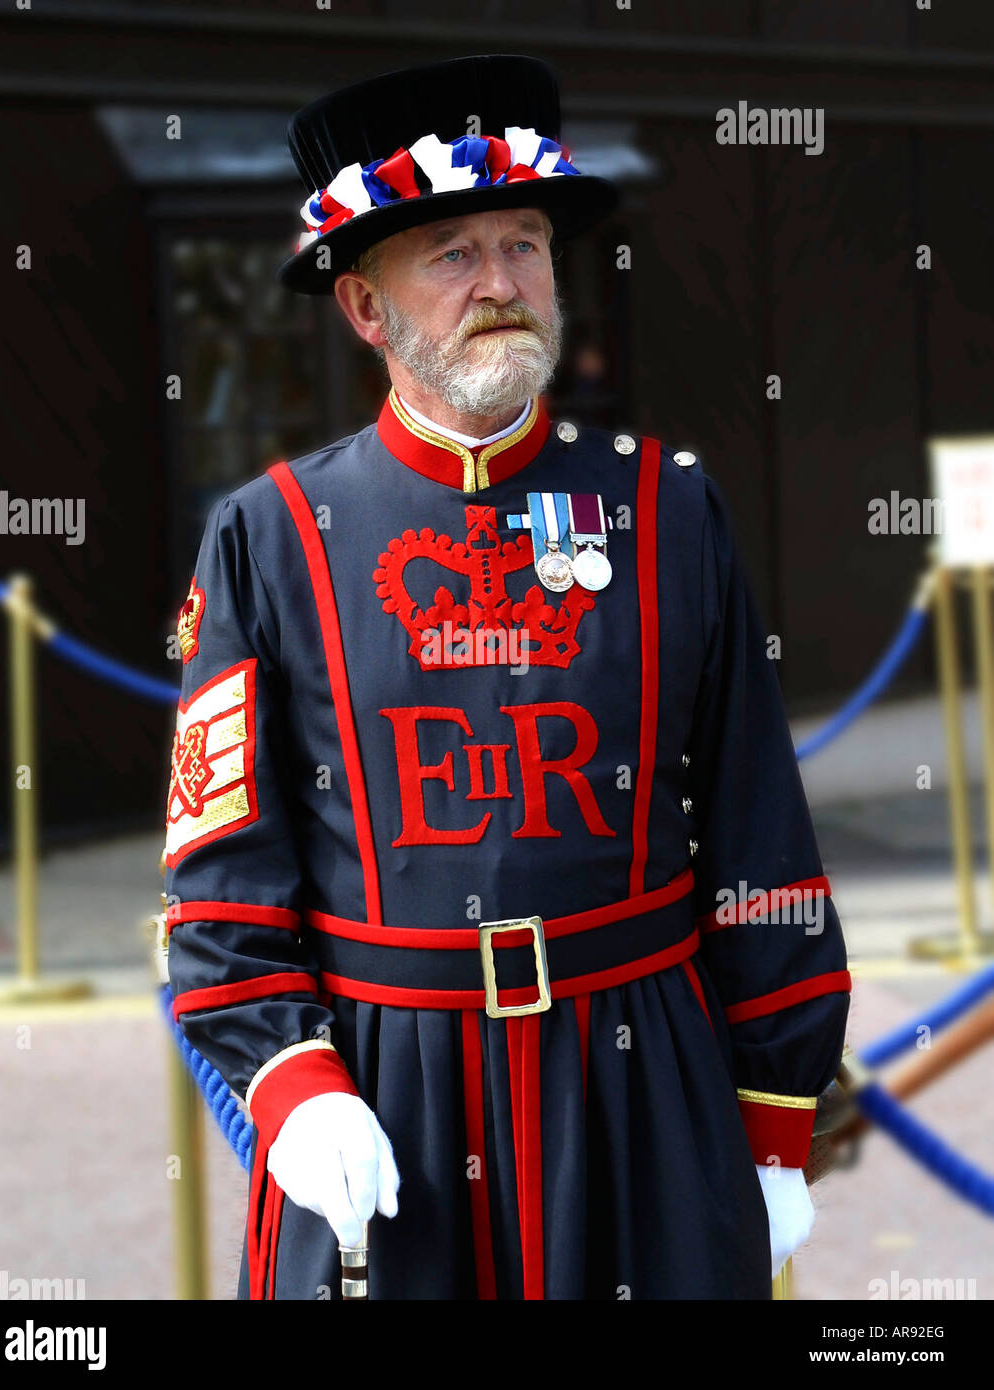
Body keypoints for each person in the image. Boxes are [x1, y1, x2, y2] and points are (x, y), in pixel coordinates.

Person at [162, 53, 850, 1300]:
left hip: (645, 1080)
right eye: (454, 255)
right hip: (387, 1101)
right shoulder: (269, 535)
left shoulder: (667, 507)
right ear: (366, 309)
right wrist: (292, 1082)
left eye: (525, 244)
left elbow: (759, 843)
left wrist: (773, 1117)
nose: (503, 283)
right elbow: (222, 884)